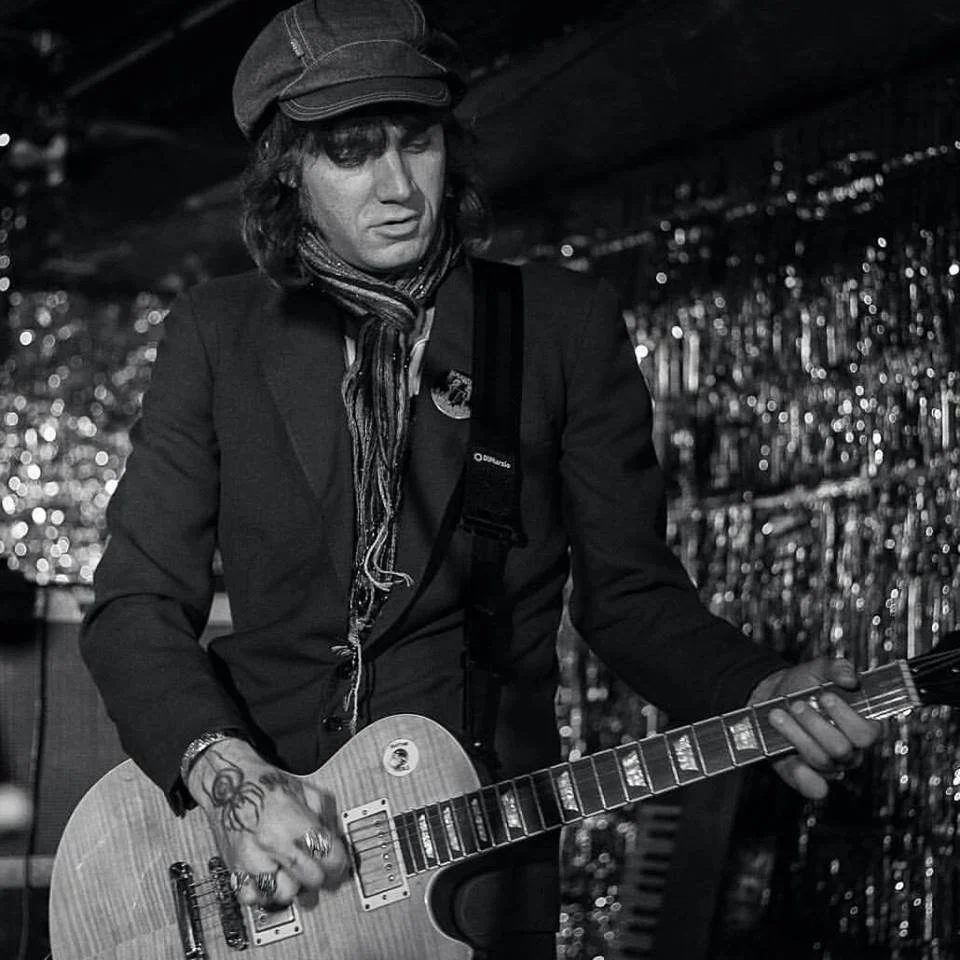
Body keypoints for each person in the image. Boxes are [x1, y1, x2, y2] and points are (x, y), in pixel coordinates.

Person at [79, 1, 880, 957]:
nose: (397, 187)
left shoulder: (559, 325)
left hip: (473, 856)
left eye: (416, 142)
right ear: (288, 169)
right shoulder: (218, 332)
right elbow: (135, 603)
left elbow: (629, 599)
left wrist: (754, 687)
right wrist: (231, 780)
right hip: (261, 861)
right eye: (350, 152)